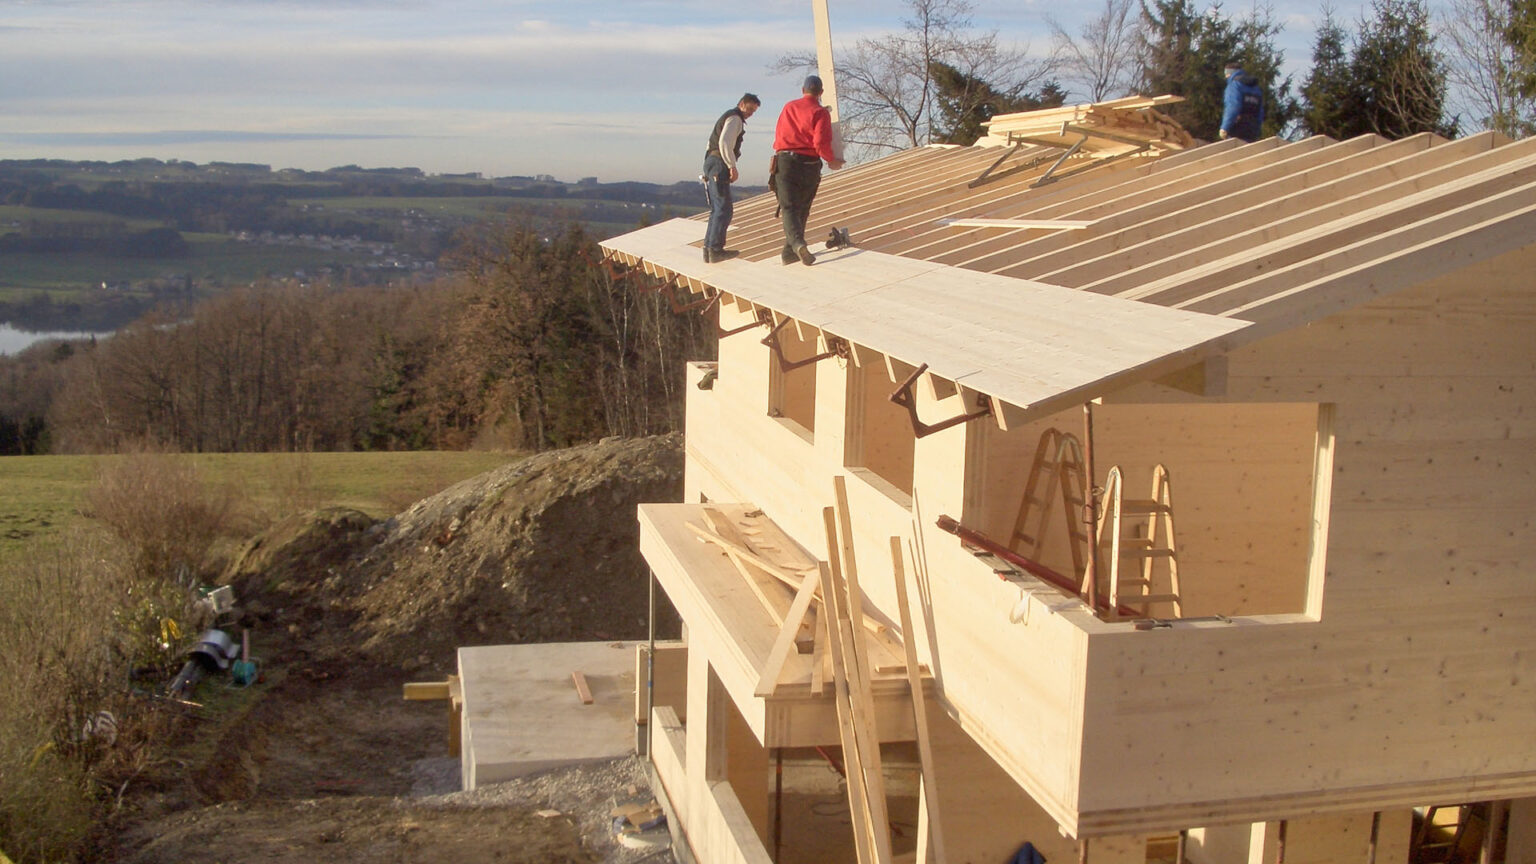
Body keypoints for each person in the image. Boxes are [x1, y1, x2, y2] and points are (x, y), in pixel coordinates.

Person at [772, 75, 844, 266]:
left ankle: (795, 245)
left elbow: (779, 133)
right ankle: (790, 252)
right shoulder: (820, 112)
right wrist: (832, 160)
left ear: (803, 90)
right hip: (810, 165)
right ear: (820, 93)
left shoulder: (789, 107)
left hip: (786, 161)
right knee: (802, 208)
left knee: (788, 207)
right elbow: (820, 142)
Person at [702, 93, 760, 263]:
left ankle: (709, 249)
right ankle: (715, 249)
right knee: (724, 209)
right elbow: (725, 143)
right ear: (741, 104)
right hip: (719, 163)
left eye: (753, 111)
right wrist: (731, 165)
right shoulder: (735, 119)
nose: (750, 113)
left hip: (711, 162)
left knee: (716, 208)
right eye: (749, 109)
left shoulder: (729, 116)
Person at [1219, 61, 1265, 143]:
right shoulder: (1255, 88)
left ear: (1229, 73)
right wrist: (1257, 129)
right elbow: (1260, 111)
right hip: (1252, 128)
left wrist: (1225, 127)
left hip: (1237, 126)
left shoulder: (1234, 85)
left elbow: (1233, 106)